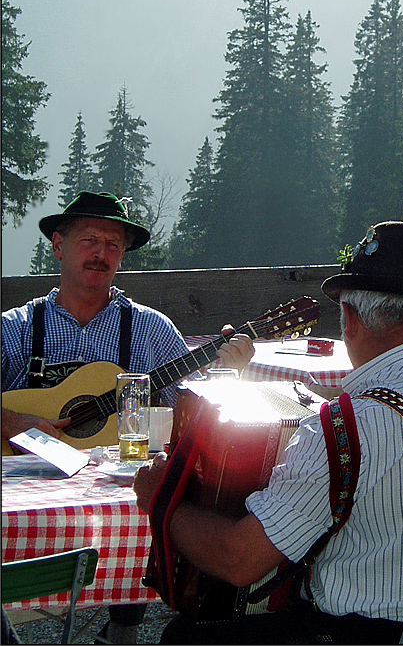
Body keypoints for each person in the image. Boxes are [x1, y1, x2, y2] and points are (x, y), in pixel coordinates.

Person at [134, 221, 403, 645]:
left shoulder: (344, 430)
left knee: (186, 635)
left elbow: (238, 561)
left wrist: (161, 499)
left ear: (350, 319)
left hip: (359, 636)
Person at [1, 190, 255, 645]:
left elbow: (192, 410)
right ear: (58, 246)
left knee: (165, 495)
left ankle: (124, 628)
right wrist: (13, 422)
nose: (101, 253)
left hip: (112, 501)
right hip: (27, 498)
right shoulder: (16, 327)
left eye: (113, 244)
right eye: (89, 240)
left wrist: (230, 373)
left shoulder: (149, 328)